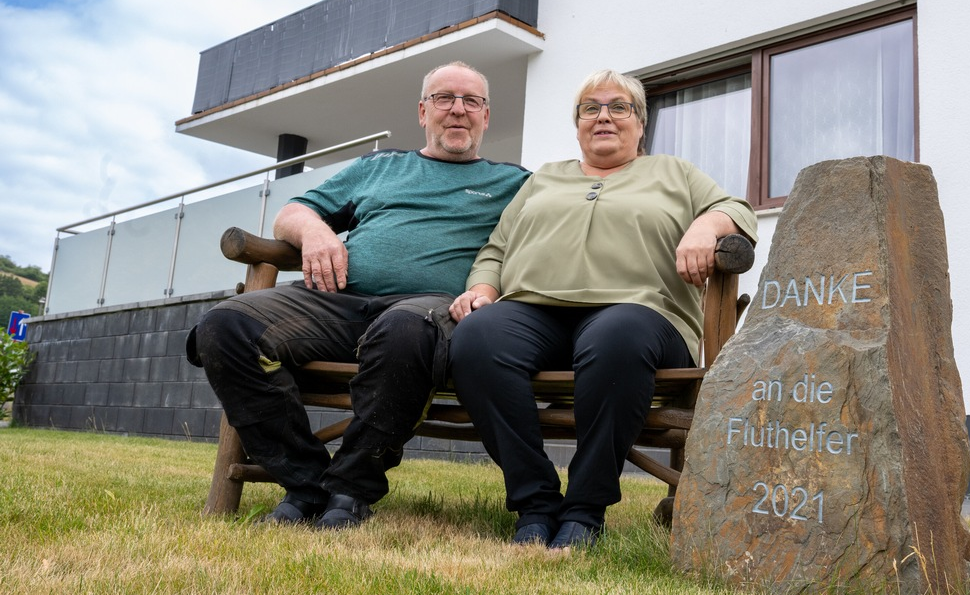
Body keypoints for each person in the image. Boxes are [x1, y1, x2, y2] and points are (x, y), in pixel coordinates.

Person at [186, 61, 529, 529]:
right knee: (225, 326)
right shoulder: (379, 166)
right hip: (338, 301)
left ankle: (350, 490)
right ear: (422, 111)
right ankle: (306, 483)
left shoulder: (515, 184)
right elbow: (293, 212)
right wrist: (316, 234)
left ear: (486, 117)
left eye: (472, 101)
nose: (458, 110)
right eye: (445, 98)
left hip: (431, 311)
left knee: (406, 328)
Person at [448, 69, 758, 550]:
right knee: (475, 338)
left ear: (640, 123)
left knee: (615, 334)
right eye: (590, 108)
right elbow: (496, 249)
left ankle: (585, 509)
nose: (604, 117)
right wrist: (484, 290)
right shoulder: (545, 178)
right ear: (577, 125)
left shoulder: (673, 173)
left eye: (619, 107)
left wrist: (704, 227)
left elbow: (738, 210)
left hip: (640, 317)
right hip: (536, 313)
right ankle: (535, 501)